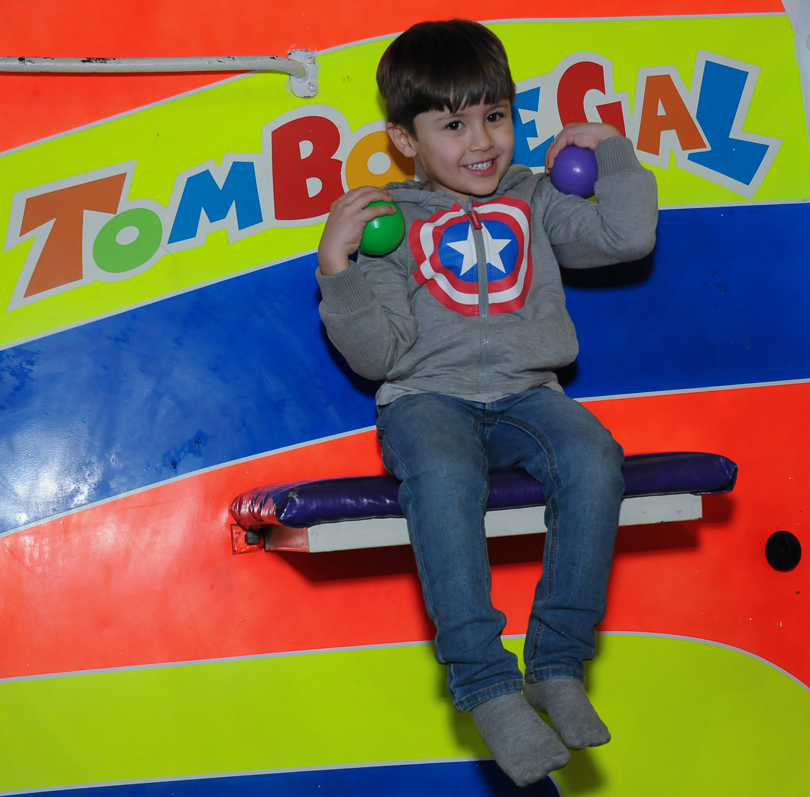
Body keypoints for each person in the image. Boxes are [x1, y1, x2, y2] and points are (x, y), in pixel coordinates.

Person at [314, 19, 657, 786]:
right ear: (404, 138)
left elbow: (627, 236)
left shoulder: (534, 198)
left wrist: (612, 151)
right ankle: (485, 681)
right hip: (426, 398)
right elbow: (378, 357)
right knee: (441, 473)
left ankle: (558, 662)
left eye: (495, 116)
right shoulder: (389, 222)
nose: (482, 141)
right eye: (453, 124)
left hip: (529, 392)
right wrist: (339, 266)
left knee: (593, 457)